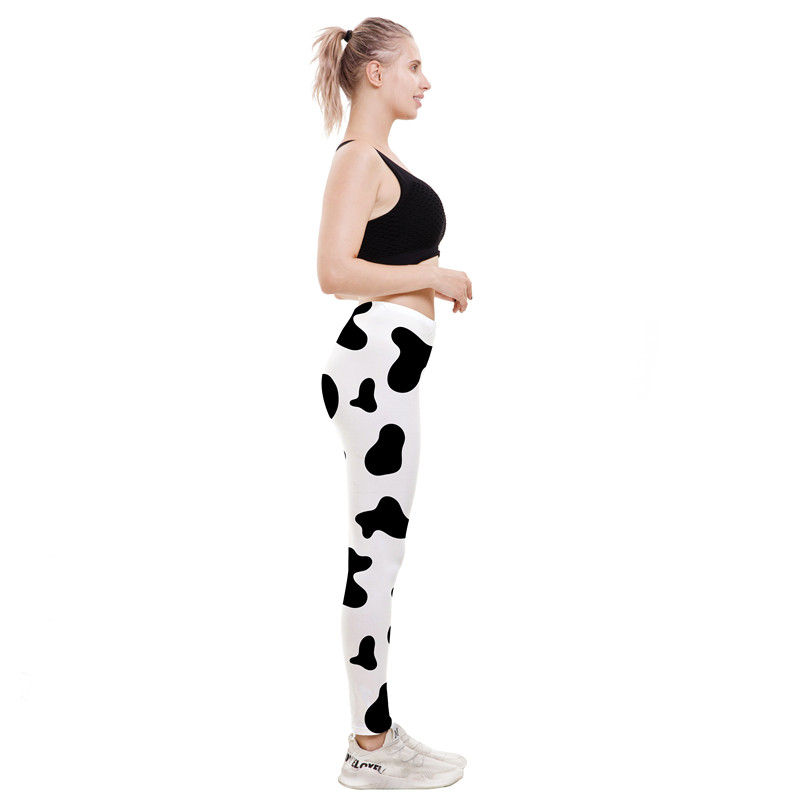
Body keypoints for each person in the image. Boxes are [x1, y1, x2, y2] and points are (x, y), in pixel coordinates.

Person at [312, 18, 473, 790]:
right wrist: (432, 276)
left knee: (382, 554)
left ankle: (374, 734)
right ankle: (369, 748)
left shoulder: (382, 161)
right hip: (374, 368)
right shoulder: (357, 160)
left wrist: (429, 277)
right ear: (373, 73)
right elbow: (332, 271)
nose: (425, 80)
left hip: (387, 369)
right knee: (374, 555)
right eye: (412, 65)